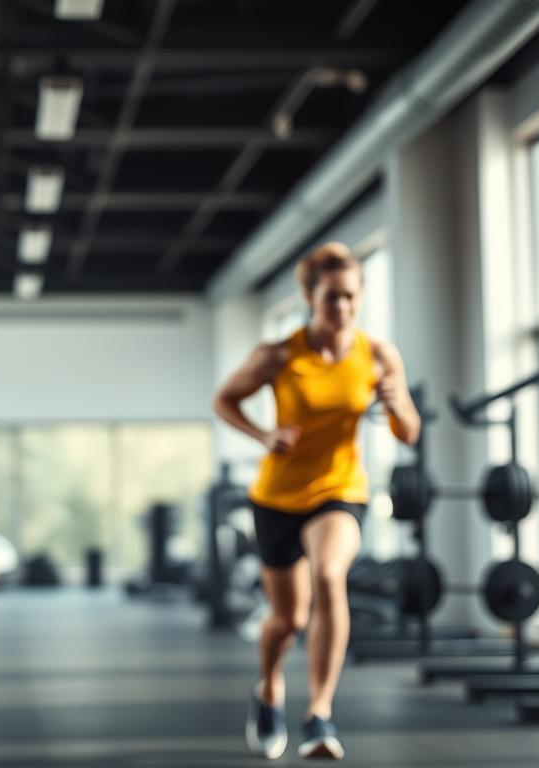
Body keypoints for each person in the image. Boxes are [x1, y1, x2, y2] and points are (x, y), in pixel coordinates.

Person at [213, 242, 420, 760]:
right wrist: (263, 436)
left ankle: (319, 715)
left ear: (361, 295)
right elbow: (224, 399)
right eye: (332, 298)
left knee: (331, 575)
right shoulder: (279, 354)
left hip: (340, 491)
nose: (343, 309)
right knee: (288, 621)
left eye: (351, 297)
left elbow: (410, 433)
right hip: (277, 498)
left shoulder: (377, 355)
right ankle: (268, 687)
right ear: (309, 296)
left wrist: (397, 408)